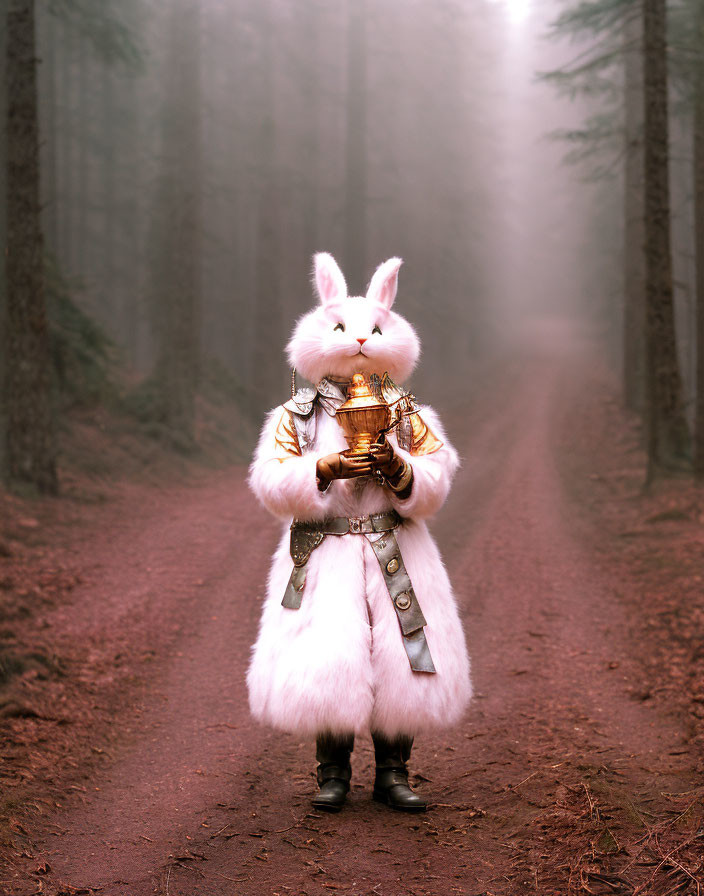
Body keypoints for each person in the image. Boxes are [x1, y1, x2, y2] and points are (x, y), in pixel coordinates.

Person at [247, 252, 472, 812]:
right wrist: (322, 470)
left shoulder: (404, 410)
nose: (360, 342)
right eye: (347, 330)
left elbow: (439, 475)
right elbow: (270, 481)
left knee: (401, 656)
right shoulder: (297, 414)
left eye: (373, 330)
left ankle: (395, 772)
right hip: (324, 549)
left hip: (397, 546)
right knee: (332, 656)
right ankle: (332, 773)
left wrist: (399, 471)